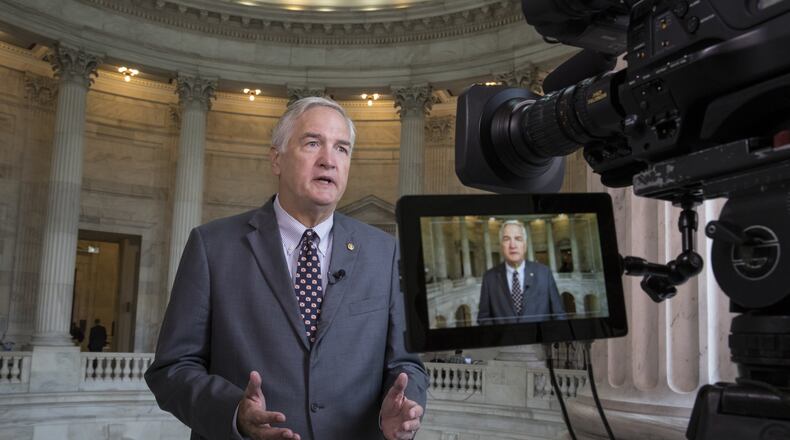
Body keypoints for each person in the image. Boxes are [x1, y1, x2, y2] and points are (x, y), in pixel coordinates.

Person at [145, 97, 427, 440]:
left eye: (341, 148)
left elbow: (406, 364)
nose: (329, 160)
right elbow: (172, 369)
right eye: (312, 143)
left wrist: (403, 406)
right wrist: (235, 412)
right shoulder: (212, 247)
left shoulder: (386, 252)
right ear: (276, 158)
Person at [477, 220, 565, 325]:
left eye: (518, 239)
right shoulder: (489, 278)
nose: (512, 245)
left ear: (525, 245)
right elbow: (483, 319)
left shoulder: (544, 273)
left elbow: (559, 315)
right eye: (506, 239)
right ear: (501, 246)